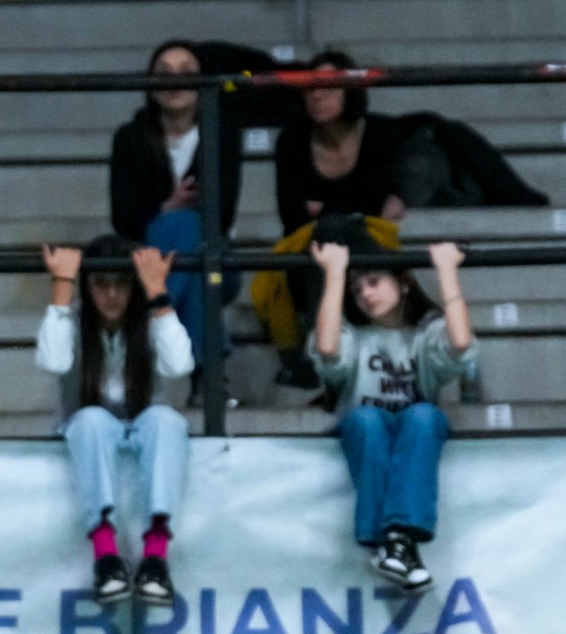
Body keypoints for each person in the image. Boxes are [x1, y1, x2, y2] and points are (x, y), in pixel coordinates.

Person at [308, 236, 476, 591]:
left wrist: (447, 270)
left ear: (403, 282)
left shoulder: (424, 333)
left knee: (425, 415)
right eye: (357, 290)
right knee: (366, 418)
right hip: (365, 430)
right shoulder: (353, 334)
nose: (365, 295)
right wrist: (335, 274)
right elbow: (327, 349)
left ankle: (393, 542)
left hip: (413, 430)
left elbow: (460, 343)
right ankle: (398, 543)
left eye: (374, 282)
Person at [36, 235, 194, 605]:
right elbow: (52, 360)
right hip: (89, 428)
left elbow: (180, 364)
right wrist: (62, 285)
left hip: (144, 427)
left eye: (121, 284)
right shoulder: (73, 320)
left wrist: (157, 292)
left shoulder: (150, 320)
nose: (111, 295)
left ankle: (155, 559)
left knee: (166, 420)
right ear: (87, 287)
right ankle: (106, 556)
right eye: (100, 283)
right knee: (91, 419)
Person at [108, 39, 242, 401]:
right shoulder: (129, 138)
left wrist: (173, 215)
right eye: (164, 73)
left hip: (217, 261)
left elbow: (222, 213)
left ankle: (144, 341)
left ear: (202, 83)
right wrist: (167, 208)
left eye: (187, 73)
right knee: (188, 246)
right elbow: (123, 220)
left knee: (191, 232)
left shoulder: (222, 133)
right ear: (151, 85)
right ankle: (209, 375)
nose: (175, 82)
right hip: (150, 259)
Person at [273, 50, 406, 236]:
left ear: (349, 90)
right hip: (310, 244)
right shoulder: (292, 139)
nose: (317, 96)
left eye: (328, 86)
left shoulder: (380, 132)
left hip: (368, 241)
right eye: (310, 87)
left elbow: (381, 203)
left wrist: (322, 209)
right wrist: (355, 208)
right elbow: (291, 214)